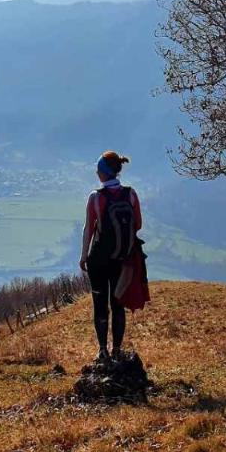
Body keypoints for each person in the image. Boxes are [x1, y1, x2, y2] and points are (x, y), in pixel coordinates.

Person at [79, 150, 142, 362]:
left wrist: (84, 256)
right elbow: (138, 224)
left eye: (98, 169)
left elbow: (89, 228)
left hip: (98, 259)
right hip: (121, 259)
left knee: (100, 304)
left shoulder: (96, 198)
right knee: (118, 305)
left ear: (103, 173)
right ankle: (117, 349)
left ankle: (103, 350)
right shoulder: (131, 194)